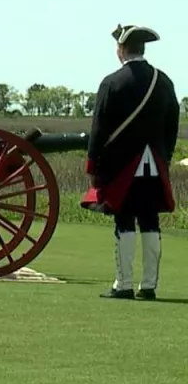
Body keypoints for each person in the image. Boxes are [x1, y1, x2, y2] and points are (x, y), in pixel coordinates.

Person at [82, 24, 178, 300]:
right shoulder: (163, 81)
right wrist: (165, 156)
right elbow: (172, 124)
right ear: (142, 48)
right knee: (150, 220)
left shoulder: (112, 82)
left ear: (121, 50)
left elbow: (99, 128)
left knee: (124, 219)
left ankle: (123, 284)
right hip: (154, 162)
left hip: (121, 164)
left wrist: (92, 164)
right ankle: (148, 286)